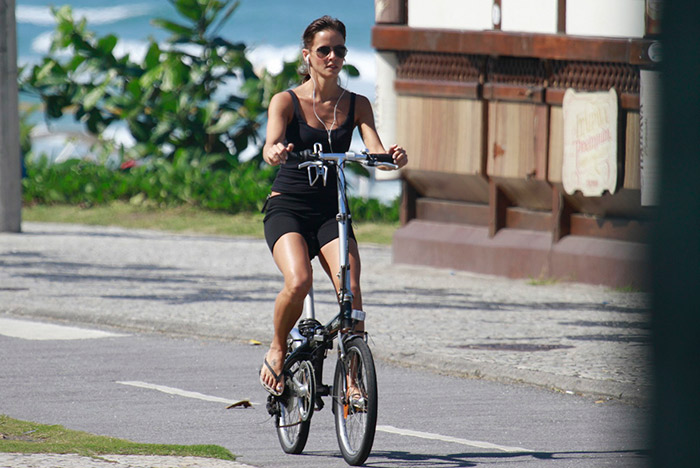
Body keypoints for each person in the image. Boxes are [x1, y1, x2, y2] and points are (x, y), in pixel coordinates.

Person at [259, 15, 407, 396]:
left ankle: (354, 377)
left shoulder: (357, 104)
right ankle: (277, 347)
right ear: (307, 55)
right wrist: (275, 151)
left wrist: (389, 155)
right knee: (299, 281)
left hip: (331, 213)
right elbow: (270, 143)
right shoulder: (286, 100)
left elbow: (375, 150)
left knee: (352, 291)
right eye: (324, 50)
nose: (333, 57)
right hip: (288, 208)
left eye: (339, 50)